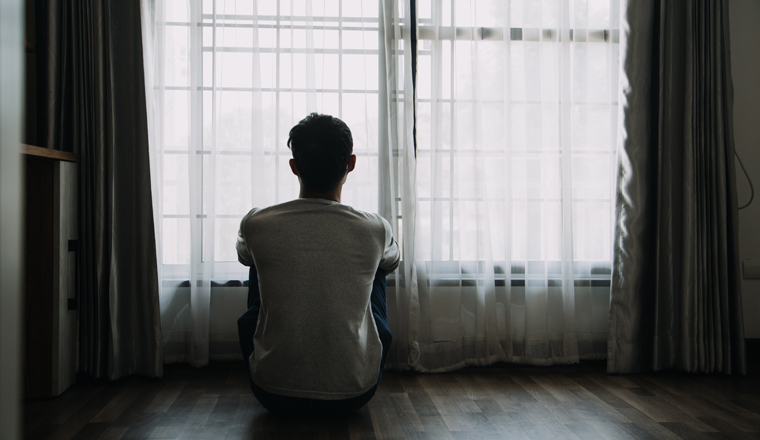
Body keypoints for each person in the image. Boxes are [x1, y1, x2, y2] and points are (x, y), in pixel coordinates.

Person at [236, 113, 400, 418]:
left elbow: (244, 257)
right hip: (354, 393)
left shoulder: (257, 222)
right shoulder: (375, 228)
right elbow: (394, 261)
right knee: (377, 264)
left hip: (271, 392)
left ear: (294, 166)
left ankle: (280, 361)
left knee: (258, 258)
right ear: (350, 163)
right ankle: (351, 358)